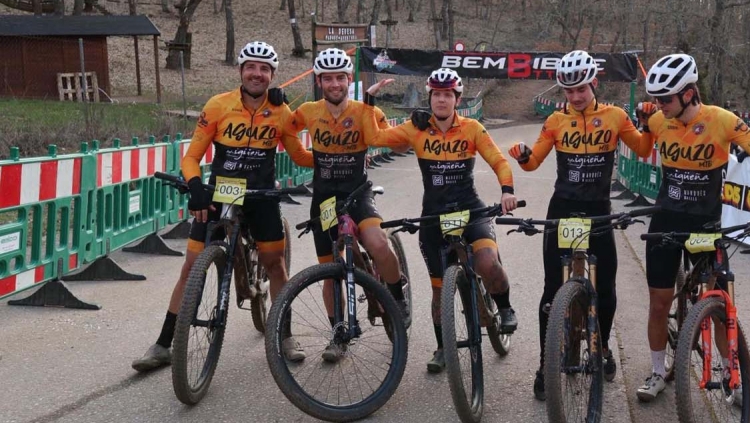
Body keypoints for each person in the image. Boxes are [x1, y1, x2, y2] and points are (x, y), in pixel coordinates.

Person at [132, 41, 315, 371]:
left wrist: (336, 159)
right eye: (251, 67)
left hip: (260, 195)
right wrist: (196, 187)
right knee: (191, 266)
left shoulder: (281, 112)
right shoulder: (218, 105)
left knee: (275, 264)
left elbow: (300, 155)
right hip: (220, 194)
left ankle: (286, 335)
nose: (257, 74)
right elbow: (191, 157)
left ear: (272, 76)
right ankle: (163, 345)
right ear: (241, 71)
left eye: (264, 69)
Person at [634, 53, 750, 404]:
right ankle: (658, 371)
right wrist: (643, 123)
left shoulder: (722, 120)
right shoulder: (659, 120)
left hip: (705, 224)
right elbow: (641, 147)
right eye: (656, 99)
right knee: (658, 304)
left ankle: (732, 379)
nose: (660, 105)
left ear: (689, 93)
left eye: (666, 98)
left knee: (721, 306)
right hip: (665, 220)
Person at [507, 50, 653, 400]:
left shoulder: (615, 116)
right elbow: (534, 162)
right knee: (550, 290)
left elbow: (643, 149)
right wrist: (523, 155)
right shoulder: (556, 121)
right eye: (569, 91)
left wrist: (648, 124)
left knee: (606, 288)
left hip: (598, 209)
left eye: (581, 90)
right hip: (563, 208)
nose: (575, 97)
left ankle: (602, 346)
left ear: (594, 83)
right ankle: (545, 364)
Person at [363, 68, 520, 373]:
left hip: (471, 210)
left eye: (448, 94)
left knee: (488, 263)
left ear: (457, 99)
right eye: (437, 94)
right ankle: (443, 347)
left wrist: (507, 191)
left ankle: (504, 307)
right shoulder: (416, 129)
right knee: (439, 290)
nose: (442, 100)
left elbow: (498, 160)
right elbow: (375, 137)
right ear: (430, 98)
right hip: (434, 216)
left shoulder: (472, 128)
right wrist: (370, 101)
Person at [293, 48, 411, 350]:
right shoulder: (307, 111)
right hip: (324, 200)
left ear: (349, 79)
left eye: (340, 78)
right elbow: (282, 130)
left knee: (378, 243)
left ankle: (397, 296)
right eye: (328, 78)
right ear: (319, 82)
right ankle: (338, 334)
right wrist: (304, 158)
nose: (334, 84)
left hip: (358, 194)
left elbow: (395, 143)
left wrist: (411, 132)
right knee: (330, 272)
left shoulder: (365, 110)